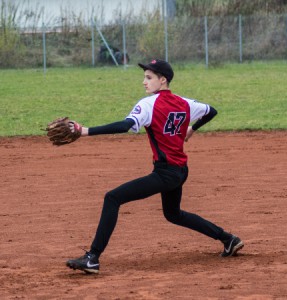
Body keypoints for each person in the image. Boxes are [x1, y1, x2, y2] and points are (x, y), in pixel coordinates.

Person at [66, 59, 244, 274]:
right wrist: (192, 129)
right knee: (173, 214)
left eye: (149, 77)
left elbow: (125, 126)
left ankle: (92, 258)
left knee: (112, 197)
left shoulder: (149, 104)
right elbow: (211, 110)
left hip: (165, 173)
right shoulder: (185, 103)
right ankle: (229, 239)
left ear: (163, 80)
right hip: (180, 171)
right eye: (144, 77)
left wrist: (85, 131)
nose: (144, 82)